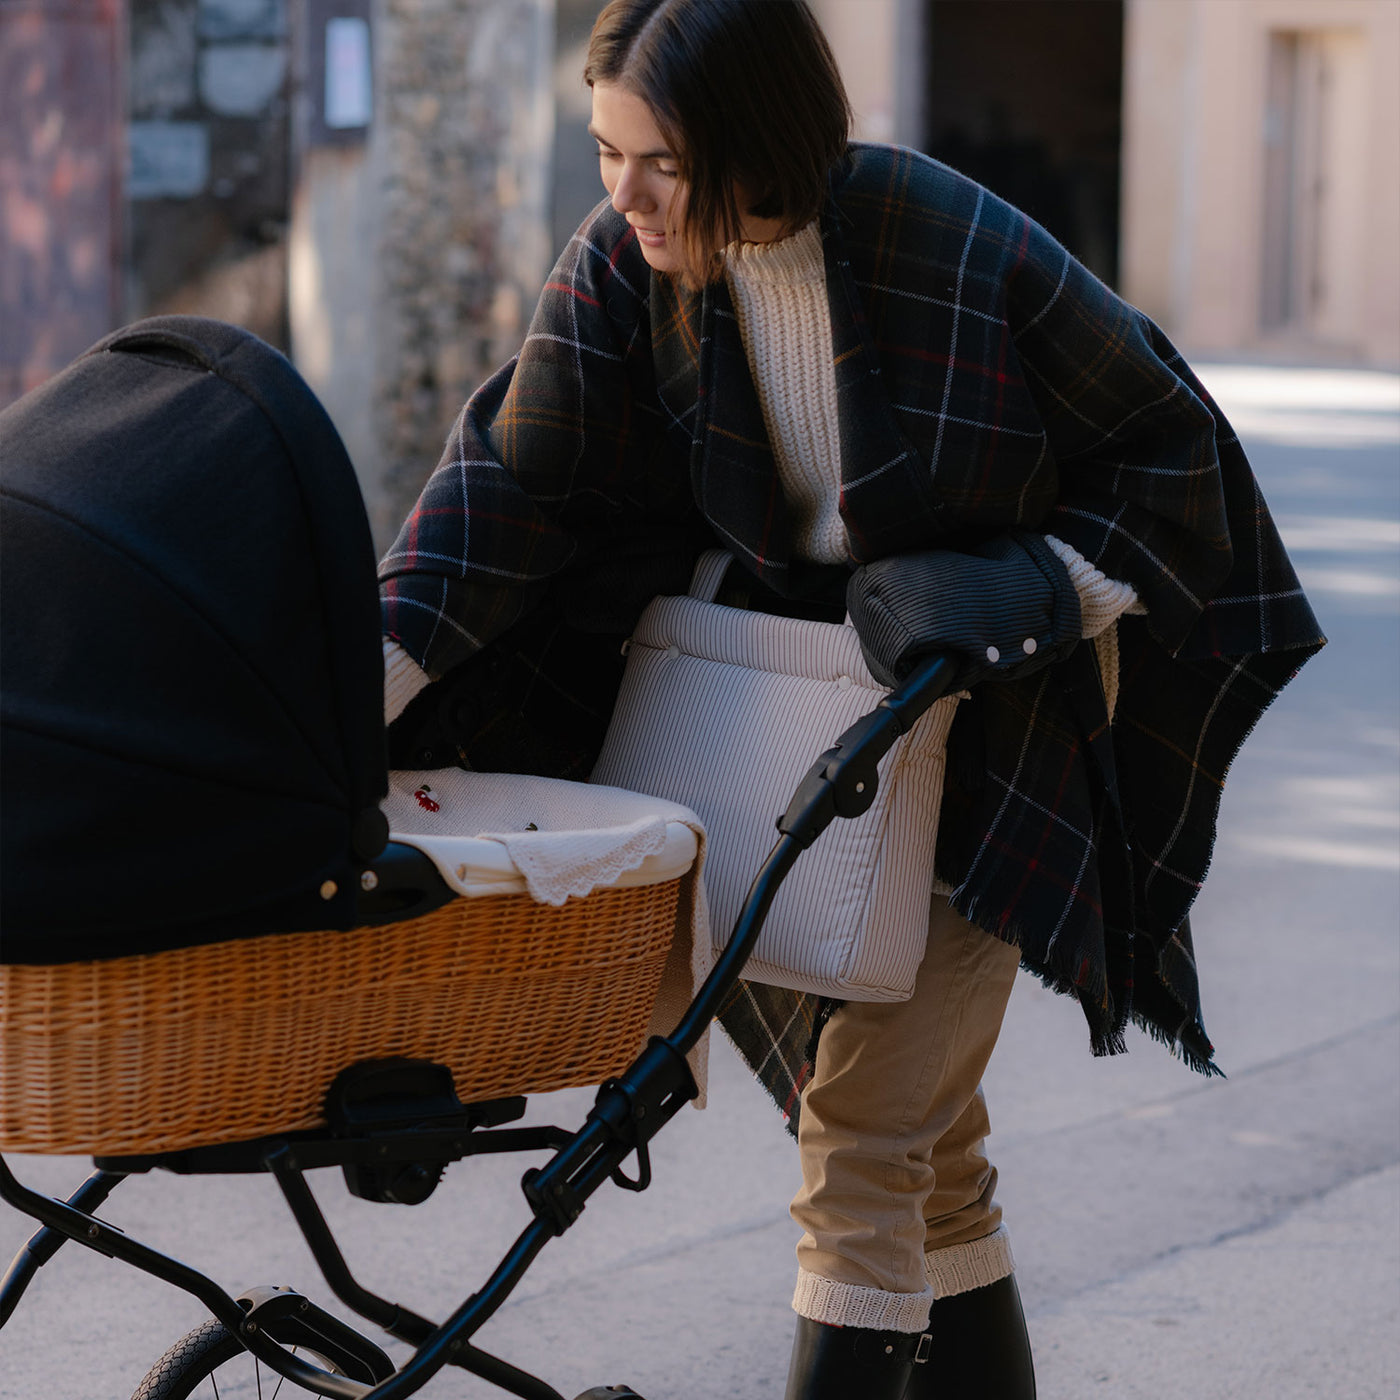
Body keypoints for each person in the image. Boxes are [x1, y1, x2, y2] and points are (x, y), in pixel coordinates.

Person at [378, 2, 1323, 1395]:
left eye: (663, 164)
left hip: (989, 721)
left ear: (757, 144)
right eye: (605, 153)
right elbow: (516, 490)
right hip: (784, 716)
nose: (624, 196)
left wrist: (1033, 590)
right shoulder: (627, 267)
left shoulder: (950, 239)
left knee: (865, 1138)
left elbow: (1173, 455)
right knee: (930, 1151)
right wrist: (364, 687)